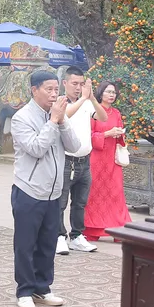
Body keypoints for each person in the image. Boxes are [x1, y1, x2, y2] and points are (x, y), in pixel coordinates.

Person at [11, 70, 80, 307]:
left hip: (54, 192)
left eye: (56, 90)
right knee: (25, 243)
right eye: (48, 90)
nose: (54, 94)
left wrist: (61, 122)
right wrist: (53, 121)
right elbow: (37, 148)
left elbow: (75, 146)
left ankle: (42, 287)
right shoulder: (22, 118)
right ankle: (25, 290)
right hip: (29, 190)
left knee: (48, 243)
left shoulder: (58, 115)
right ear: (34, 90)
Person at [57, 67, 101, 255]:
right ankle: (58, 236)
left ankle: (77, 236)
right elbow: (65, 116)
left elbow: (103, 117)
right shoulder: (60, 101)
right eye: (74, 84)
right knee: (60, 201)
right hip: (67, 160)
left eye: (81, 84)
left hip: (85, 161)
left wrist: (91, 98)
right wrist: (83, 98)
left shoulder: (86, 103)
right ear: (65, 83)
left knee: (80, 202)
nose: (78, 88)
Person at [82, 81, 132, 241]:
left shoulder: (116, 113)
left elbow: (121, 136)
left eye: (114, 93)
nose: (111, 95)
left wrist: (119, 134)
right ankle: (92, 229)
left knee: (116, 194)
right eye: (108, 92)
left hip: (112, 159)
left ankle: (118, 228)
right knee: (94, 194)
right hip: (96, 159)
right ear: (101, 93)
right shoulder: (92, 111)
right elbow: (86, 135)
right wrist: (106, 134)